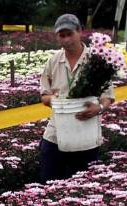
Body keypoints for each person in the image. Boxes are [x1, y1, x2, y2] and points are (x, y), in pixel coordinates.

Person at [38, 13, 115, 183]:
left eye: (69, 34)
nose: (66, 39)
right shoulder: (53, 61)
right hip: (55, 135)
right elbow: (44, 95)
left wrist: (99, 108)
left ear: (80, 31)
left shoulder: (97, 61)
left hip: (85, 137)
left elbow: (107, 97)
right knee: (47, 186)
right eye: (61, 35)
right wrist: (54, 100)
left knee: (83, 189)